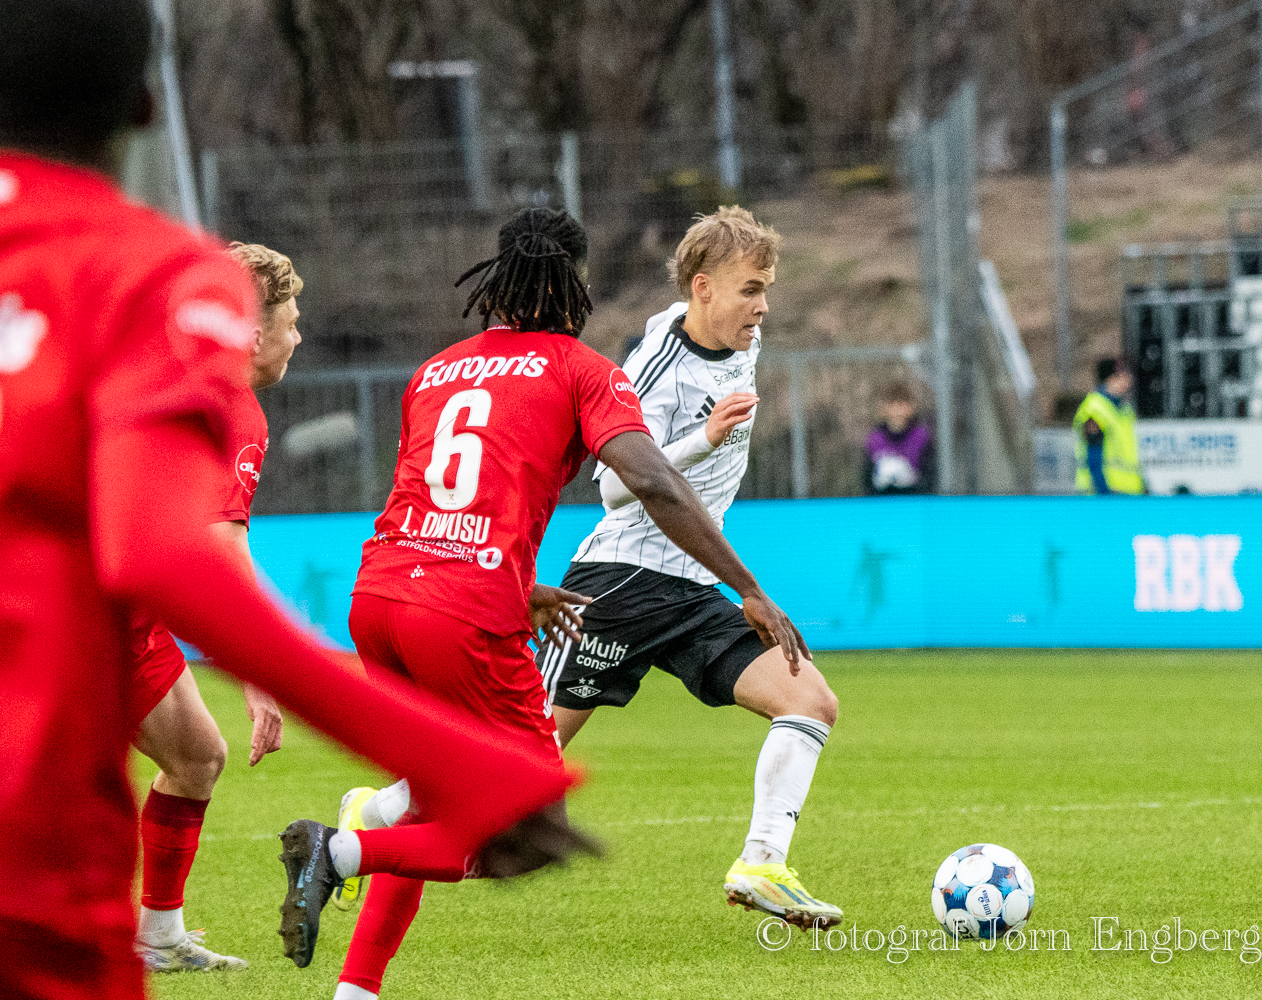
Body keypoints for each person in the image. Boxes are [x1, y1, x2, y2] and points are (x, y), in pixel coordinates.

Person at [0, 4, 584, 997]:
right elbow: (165, 553)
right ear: (145, 106)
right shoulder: (151, 277)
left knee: (190, 756)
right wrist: (454, 761)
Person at [316, 207, 809, 1000]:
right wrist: (749, 588)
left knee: (429, 801)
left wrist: (522, 587)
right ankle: (339, 852)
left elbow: (427, 507)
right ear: (572, 282)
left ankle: (356, 988)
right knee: (533, 827)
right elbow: (645, 482)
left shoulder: (436, 371)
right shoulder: (582, 369)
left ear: (498, 279)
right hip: (461, 613)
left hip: (379, 598)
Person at [528, 206, 842, 929]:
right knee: (519, 765)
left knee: (810, 701)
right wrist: (704, 437)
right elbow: (612, 487)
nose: (762, 307)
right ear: (703, 287)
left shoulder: (736, 337)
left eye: (766, 289)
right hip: (621, 583)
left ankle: (762, 864)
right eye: (749, 290)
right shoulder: (655, 368)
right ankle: (370, 821)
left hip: (693, 585)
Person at [128, 242, 301, 973]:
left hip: (123, 612)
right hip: (85, 615)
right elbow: (222, 547)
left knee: (196, 756)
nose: (299, 337)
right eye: (292, 322)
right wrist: (260, 674)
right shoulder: (232, 407)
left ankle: (159, 938)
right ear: (255, 335)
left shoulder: (162, 373)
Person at [1073, 356, 1145, 495]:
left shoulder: (1124, 409)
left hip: (1128, 491)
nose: (1128, 381)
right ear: (1110, 378)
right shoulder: (1095, 407)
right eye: (1123, 376)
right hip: (1104, 492)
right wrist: (1103, 491)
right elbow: (1093, 453)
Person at [863, 380, 935, 495]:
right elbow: (866, 477)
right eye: (892, 405)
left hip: (913, 499)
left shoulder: (921, 437)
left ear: (910, 407)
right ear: (885, 407)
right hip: (882, 500)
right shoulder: (875, 438)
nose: (897, 411)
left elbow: (930, 475)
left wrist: (912, 482)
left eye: (901, 405)